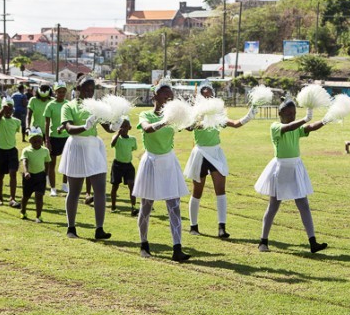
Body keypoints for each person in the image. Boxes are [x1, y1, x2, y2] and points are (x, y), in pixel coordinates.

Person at [254, 99, 328, 254]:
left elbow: (309, 128)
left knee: (304, 205)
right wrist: (305, 118)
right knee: (274, 205)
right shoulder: (276, 127)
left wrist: (325, 120)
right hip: (281, 169)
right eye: (288, 113)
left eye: (294, 113)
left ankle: (312, 242)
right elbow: (288, 127)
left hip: (295, 167)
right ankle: (263, 241)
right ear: (280, 113)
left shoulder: (296, 127)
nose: (292, 116)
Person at [184, 82, 256, 238]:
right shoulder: (195, 114)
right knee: (197, 191)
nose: (207, 95)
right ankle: (193, 226)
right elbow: (188, 127)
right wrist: (198, 121)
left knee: (220, 190)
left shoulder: (218, 114)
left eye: (209, 92)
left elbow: (235, 124)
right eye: (204, 93)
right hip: (200, 153)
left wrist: (250, 114)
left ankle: (221, 227)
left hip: (215, 153)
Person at [132, 80, 191, 261]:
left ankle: (177, 247)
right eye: (165, 95)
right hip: (151, 162)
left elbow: (190, 126)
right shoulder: (145, 115)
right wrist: (165, 121)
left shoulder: (173, 116)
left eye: (171, 96)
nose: (168, 98)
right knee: (146, 205)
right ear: (154, 96)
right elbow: (148, 129)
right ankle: (144, 244)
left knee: (174, 206)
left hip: (169, 162)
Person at [58, 74, 114, 240]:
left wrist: (115, 126)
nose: (90, 93)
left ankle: (99, 228)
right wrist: (84, 126)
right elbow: (68, 128)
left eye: (92, 90)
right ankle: (71, 227)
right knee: (75, 190)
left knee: (100, 189)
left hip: (94, 147)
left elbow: (107, 126)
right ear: (78, 89)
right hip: (77, 146)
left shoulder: (96, 106)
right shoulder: (69, 106)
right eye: (86, 89)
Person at [0, 97, 21, 208]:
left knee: (13, 174)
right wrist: (2, 110)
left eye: (10, 108)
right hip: (0, 150)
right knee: (0, 175)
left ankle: (12, 198)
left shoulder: (17, 122)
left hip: (12, 151)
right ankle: (0, 198)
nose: (8, 110)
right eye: (6, 108)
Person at [44, 81, 69, 197]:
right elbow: (47, 124)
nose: (61, 94)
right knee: (52, 163)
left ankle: (65, 184)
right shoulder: (50, 105)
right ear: (55, 92)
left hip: (66, 137)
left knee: (67, 163)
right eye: (59, 92)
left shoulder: (68, 104)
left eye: (63, 92)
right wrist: (47, 140)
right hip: (54, 137)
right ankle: (53, 188)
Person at [20, 127, 50, 222]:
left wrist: (46, 173)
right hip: (29, 177)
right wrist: (26, 172)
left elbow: (47, 162)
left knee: (39, 195)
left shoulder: (45, 150)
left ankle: (38, 216)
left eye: (39, 139)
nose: (37, 141)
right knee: (26, 196)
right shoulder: (26, 150)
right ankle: (23, 211)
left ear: (42, 140)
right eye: (34, 139)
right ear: (30, 140)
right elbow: (25, 162)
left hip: (40, 176)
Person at [110, 117, 137, 215]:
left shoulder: (133, 139)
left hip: (128, 165)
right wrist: (117, 134)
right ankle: (113, 206)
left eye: (126, 126)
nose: (124, 128)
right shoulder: (116, 138)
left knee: (131, 185)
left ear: (129, 127)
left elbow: (133, 148)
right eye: (122, 126)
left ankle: (133, 207)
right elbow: (112, 144)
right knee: (115, 186)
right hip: (117, 165)